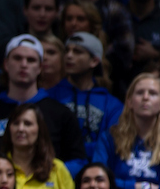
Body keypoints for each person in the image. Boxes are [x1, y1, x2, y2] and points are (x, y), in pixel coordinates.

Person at [0, 34, 84, 184]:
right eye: (17, 58)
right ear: (6, 64)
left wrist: (47, 178)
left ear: (40, 67)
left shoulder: (61, 113)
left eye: (31, 60)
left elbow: (78, 161)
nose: (24, 64)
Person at [48, 32, 123, 162]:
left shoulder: (112, 105)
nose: (69, 56)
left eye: (77, 51)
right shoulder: (49, 96)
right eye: (67, 51)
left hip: (96, 171)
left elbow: (111, 145)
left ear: (94, 61)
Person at [1, 103, 74, 189]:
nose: (21, 129)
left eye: (27, 124)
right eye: (16, 123)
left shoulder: (57, 169)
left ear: (40, 129)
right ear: (9, 129)